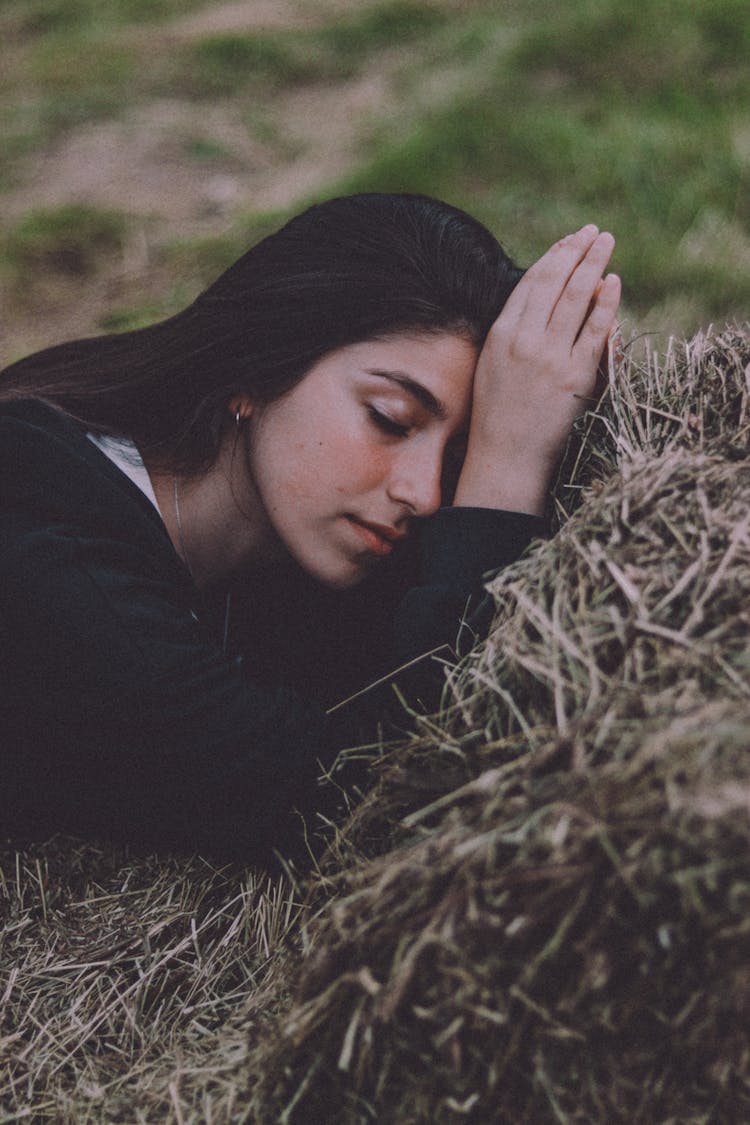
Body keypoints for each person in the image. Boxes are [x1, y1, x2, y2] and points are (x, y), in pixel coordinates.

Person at [0, 193, 620, 860]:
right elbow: (366, 806)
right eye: (389, 417)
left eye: (459, 455)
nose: (426, 493)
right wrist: (505, 469)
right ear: (259, 362)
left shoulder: (273, 564)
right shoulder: (43, 559)